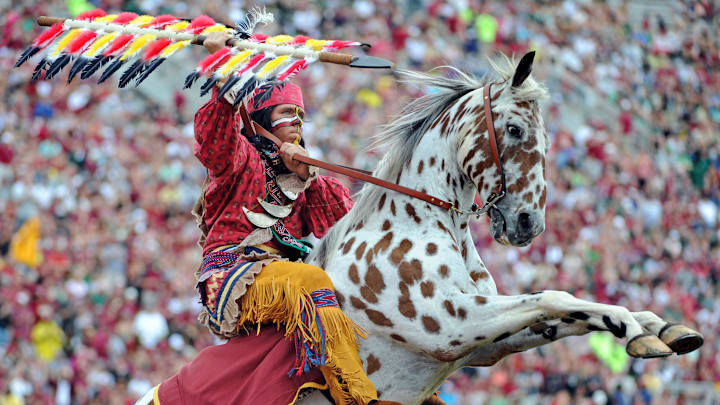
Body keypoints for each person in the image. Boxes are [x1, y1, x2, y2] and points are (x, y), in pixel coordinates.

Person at [145, 32, 396, 405]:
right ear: (262, 119)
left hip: (284, 280)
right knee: (310, 278)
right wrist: (224, 71)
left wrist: (308, 175)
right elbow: (213, 139)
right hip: (232, 277)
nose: (297, 121)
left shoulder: (304, 177)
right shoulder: (240, 158)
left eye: (300, 116)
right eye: (286, 114)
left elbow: (343, 227)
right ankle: (358, 398)